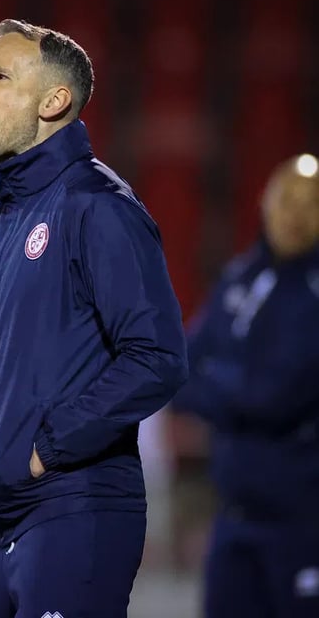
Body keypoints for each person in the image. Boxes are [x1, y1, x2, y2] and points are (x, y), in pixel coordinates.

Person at [0, 20, 188, 617]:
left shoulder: (95, 204)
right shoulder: (4, 217)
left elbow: (157, 358)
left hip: (70, 510)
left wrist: (45, 450)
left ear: (54, 101)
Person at [170, 154, 319, 617]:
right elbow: (181, 368)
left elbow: (273, 397)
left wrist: (220, 381)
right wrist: (236, 384)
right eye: (284, 200)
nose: (292, 214)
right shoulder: (241, 275)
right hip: (234, 512)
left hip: (303, 521)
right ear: (265, 202)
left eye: (307, 203)